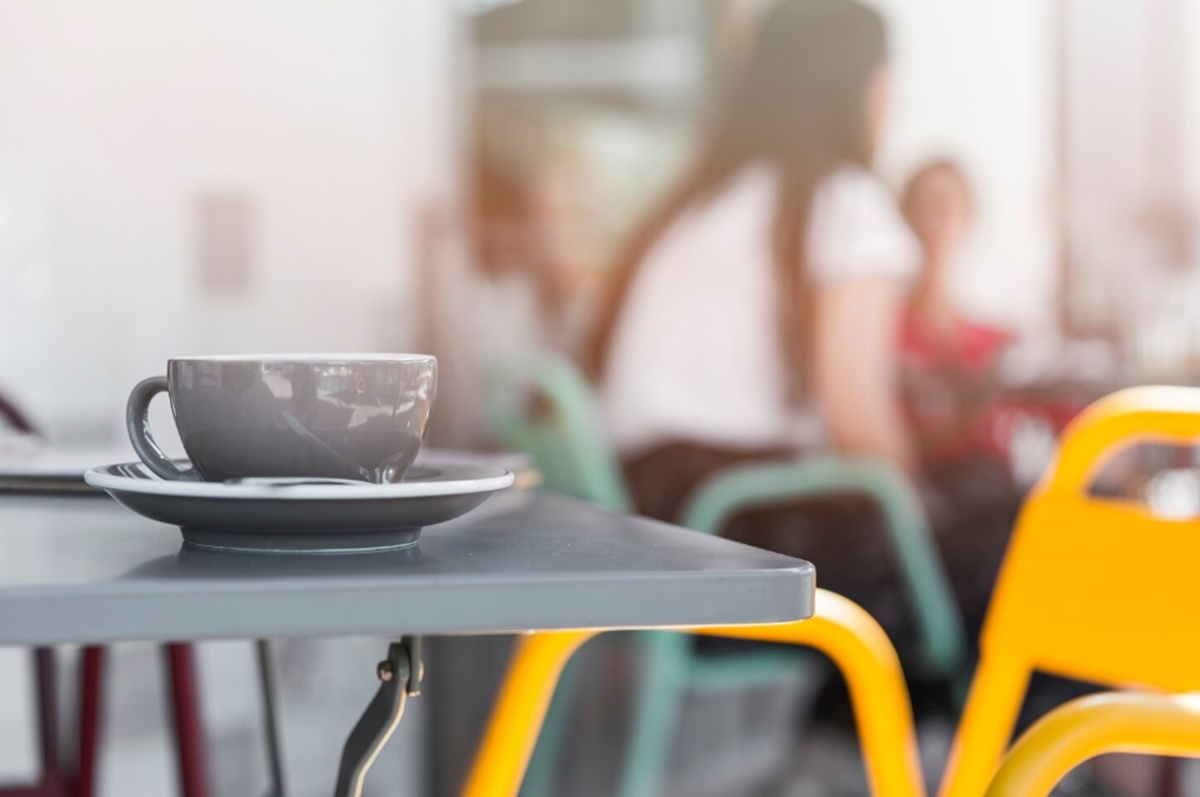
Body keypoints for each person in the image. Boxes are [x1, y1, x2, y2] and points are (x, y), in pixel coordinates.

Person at [591, 0, 923, 647]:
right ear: (862, 88)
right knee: (1021, 557)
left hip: (659, 537)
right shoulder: (843, 203)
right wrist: (922, 510)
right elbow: (859, 421)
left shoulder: (698, 206)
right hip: (746, 543)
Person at [897, 159, 1011, 463]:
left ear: (967, 218)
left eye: (944, 207)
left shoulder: (995, 342)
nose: (931, 223)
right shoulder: (881, 334)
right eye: (920, 208)